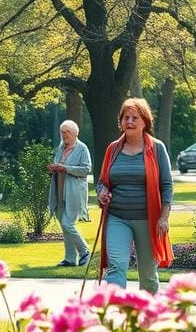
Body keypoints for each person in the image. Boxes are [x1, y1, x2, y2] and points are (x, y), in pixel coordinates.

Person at [96, 97, 173, 293]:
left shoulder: (156, 148)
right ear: (120, 122)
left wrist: (164, 218)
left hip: (148, 220)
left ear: (144, 121)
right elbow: (102, 182)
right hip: (117, 217)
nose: (129, 122)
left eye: (134, 118)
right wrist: (102, 193)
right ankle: (113, 311)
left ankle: (149, 314)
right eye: (125, 118)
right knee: (116, 265)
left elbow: (166, 185)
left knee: (147, 273)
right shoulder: (112, 149)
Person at [47, 119, 92, 267]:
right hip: (59, 192)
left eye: (67, 132)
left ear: (75, 133)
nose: (64, 135)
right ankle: (70, 258)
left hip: (73, 193)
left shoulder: (82, 149)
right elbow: (58, 163)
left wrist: (65, 168)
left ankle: (85, 251)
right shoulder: (61, 147)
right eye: (62, 132)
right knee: (64, 226)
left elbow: (86, 169)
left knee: (68, 223)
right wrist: (53, 167)